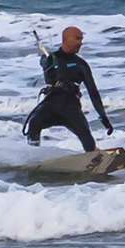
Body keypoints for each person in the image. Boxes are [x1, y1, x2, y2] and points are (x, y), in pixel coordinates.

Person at [24, 24, 113, 152]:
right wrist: (45, 61)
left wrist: (103, 117)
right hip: (50, 105)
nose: (80, 43)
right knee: (34, 123)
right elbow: (43, 62)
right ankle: (33, 154)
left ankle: (94, 156)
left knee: (86, 137)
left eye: (81, 39)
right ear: (66, 39)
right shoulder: (50, 59)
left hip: (71, 108)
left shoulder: (81, 64)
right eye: (77, 38)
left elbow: (93, 92)